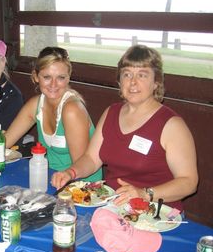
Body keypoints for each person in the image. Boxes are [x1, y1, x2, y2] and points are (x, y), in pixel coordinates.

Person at [52, 45, 198, 211]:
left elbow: (189, 182)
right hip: (113, 207)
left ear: (156, 82)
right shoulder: (111, 112)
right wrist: (70, 173)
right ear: (119, 81)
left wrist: (144, 193)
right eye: (127, 74)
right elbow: (92, 159)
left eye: (142, 75)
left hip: (155, 214)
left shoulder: (172, 125)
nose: (133, 82)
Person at [0, 46, 103, 179]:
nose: (54, 84)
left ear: (68, 78)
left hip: (81, 189)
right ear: (36, 77)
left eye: (61, 77)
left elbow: (81, 172)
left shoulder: (72, 110)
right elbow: (6, 141)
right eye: (47, 77)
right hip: (52, 179)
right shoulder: (35, 105)